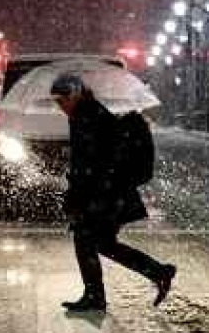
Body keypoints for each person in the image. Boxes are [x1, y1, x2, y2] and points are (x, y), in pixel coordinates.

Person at [51, 73, 176, 312]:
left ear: (74, 95)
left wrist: (80, 192)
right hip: (108, 193)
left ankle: (97, 296)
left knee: (86, 241)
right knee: (102, 243)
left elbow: (93, 162)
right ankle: (158, 272)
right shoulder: (85, 114)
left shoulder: (87, 117)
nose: (60, 106)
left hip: (105, 195)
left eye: (62, 100)